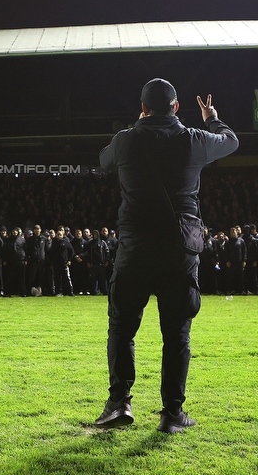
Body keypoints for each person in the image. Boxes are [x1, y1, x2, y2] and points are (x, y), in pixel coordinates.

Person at [94, 79, 237, 433]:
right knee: (176, 334)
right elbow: (232, 141)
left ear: (143, 108)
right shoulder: (195, 138)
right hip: (179, 250)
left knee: (122, 327)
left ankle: (119, 403)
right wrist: (212, 119)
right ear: (176, 107)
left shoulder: (126, 139)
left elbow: (103, 161)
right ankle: (172, 413)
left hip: (135, 249)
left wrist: (134, 130)